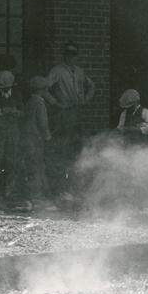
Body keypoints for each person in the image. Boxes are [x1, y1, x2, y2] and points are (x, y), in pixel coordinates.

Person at [46, 41, 96, 189]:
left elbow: (91, 85)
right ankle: (62, 178)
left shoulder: (80, 71)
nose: (71, 57)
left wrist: (86, 99)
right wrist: (56, 103)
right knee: (64, 143)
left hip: (78, 111)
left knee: (78, 141)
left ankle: (77, 176)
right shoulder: (57, 71)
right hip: (64, 112)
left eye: (74, 54)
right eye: (68, 54)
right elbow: (45, 88)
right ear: (65, 56)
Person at [0, 69, 23, 205]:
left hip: (13, 132)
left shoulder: (17, 94)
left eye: (7, 87)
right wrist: (0, 112)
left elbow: (23, 111)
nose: (4, 90)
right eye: (2, 88)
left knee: (11, 160)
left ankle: (9, 191)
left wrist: (15, 112)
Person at [19, 76, 53, 207]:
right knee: (36, 166)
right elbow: (43, 123)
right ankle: (36, 196)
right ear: (41, 90)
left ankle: (33, 195)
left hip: (27, 137)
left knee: (31, 165)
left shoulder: (30, 101)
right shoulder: (39, 102)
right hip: (34, 138)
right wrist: (48, 136)